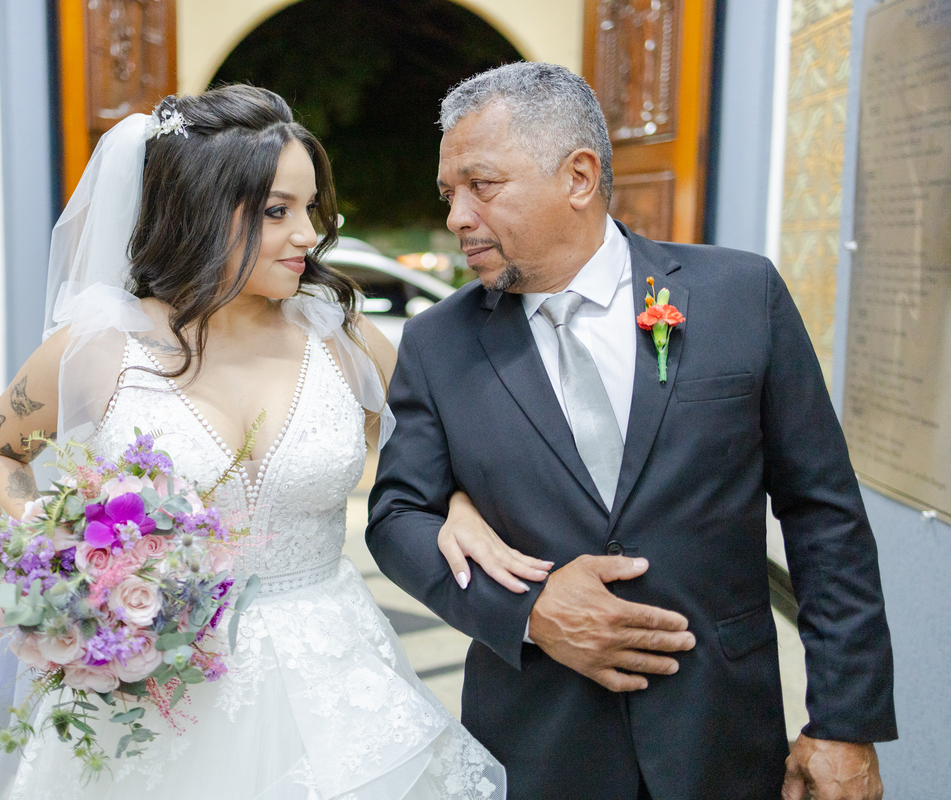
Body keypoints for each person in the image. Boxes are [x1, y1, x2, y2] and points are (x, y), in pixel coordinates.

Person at [366, 63, 896, 800]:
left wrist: (844, 721)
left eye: (480, 186)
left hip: (723, 735)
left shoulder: (741, 296)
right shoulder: (437, 342)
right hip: (538, 744)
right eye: (449, 193)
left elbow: (824, 516)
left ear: (579, 177)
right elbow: (395, 518)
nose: (457, 216)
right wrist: (530, 611)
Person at [0, 85, 507, 799]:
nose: (309, 234)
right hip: (158, 685)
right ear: (196, 211)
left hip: (333, 679)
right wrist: (65, 551)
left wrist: (461, 505)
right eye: (278, 211)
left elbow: (441, 456)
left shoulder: (342, 339)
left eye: (311, 208)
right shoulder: (100, 347)